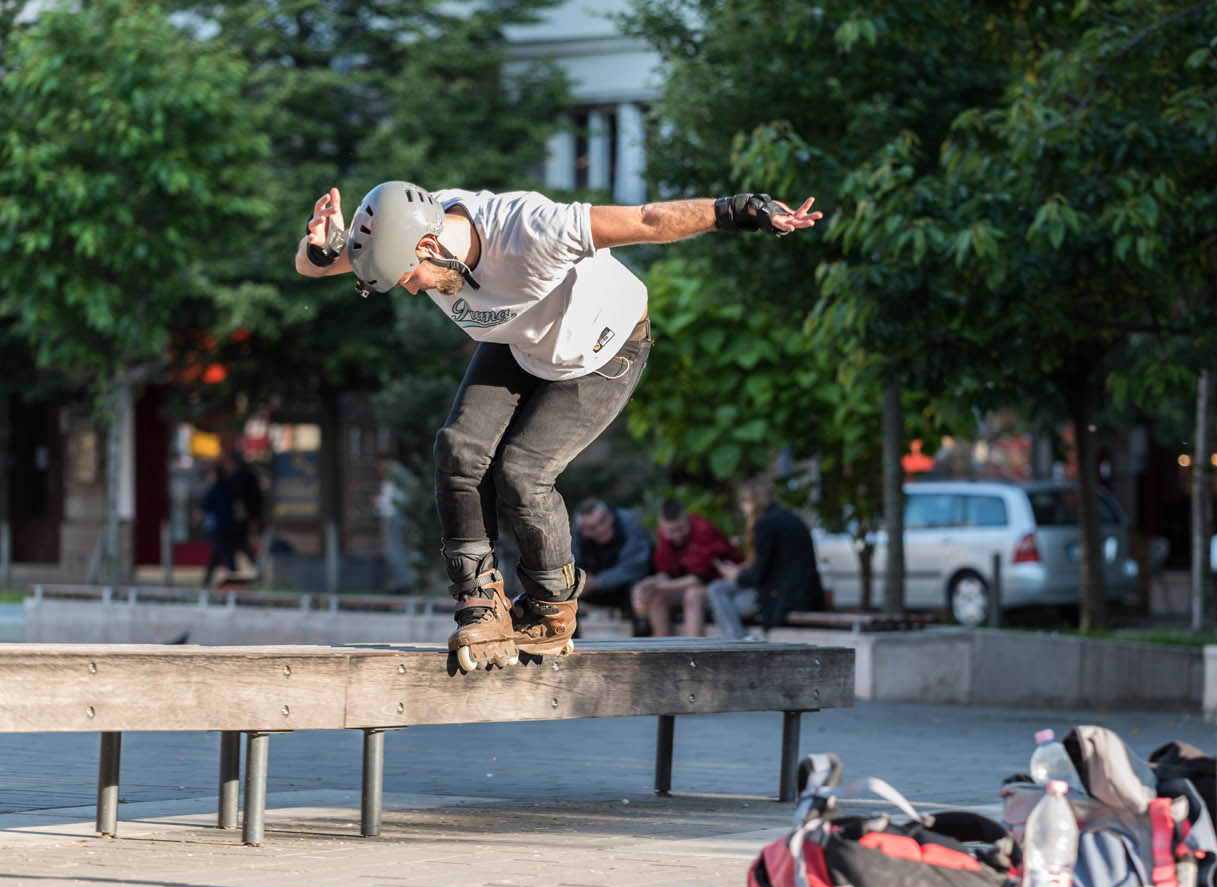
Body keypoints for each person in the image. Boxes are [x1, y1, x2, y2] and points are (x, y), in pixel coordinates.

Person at [292, 176, 819, 671]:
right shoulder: (402, 238)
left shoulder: (533, 229)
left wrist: (740, 210)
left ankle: (552, 606)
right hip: (521, 344)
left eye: (412, 279)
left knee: (523, 472)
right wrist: (321, 247)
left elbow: (649, 220)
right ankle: (481, 602)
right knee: (457, 449)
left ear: (429, 248)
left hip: (605, 349)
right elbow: (312, 268)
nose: (414, 291)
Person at [708, 479, 826, 639]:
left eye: (743, 502)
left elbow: (758, 576)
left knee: (716, 590)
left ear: (750, 502)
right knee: (723, 601)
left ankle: (737, 641)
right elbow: (774, 566)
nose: (742, 509)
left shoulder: (764, 524)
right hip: (801, 594)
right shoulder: (785, 517)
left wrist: (736, 575)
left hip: (782, 598)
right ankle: (739, 638)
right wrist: (743, 570)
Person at [634, 499, 742, 637]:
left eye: (680, 528)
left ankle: (691, 651)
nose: (677, 534)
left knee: (692, 595)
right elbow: (667, 573)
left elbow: (700, 578)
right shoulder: (663, 535)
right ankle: (661, 651)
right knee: (656, 598)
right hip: (691, 584)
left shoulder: (703, 530)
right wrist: (650, 583)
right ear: (662, 526)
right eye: (671, 530)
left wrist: (659, 585)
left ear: (687, 519)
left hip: (719, 584)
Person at [571, 496, 654, 620]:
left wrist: (597, 582)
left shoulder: (628, 522)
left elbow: (635, 568)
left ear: (610, 515)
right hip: (596, 589)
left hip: (632, 584)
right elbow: (570, 566)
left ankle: (642, 633)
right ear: (584, 531)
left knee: (637, 589)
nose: (601, 529)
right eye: (592, 528)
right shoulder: (577, 535)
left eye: (603, 521)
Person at [373, 456, 415, 594]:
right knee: (399, 549)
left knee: (394, 549)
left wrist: (378, 503)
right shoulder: (401, 473)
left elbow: (389, 497)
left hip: (393, 515)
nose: (378, 470)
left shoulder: (393, 474)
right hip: (400, 514)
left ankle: (402, 583)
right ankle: (403, 581)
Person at [199, 462, 238, 589]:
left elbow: (205, 506)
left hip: (219, 526)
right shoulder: (229, 487)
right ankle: (209, 578)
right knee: (219, 552)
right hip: (229, 525)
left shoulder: (216, 488)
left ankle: (234, 577)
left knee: (224, 551)